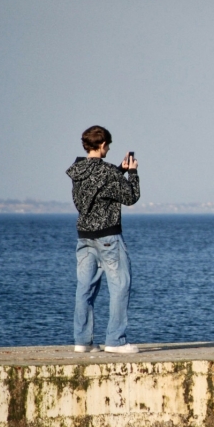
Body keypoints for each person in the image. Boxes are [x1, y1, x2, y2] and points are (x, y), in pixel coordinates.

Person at [66, 125, 141, 353]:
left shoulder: (78, 170)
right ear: (101, 145)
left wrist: (119, 169)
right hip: (108, 235)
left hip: (84, 237)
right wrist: (133, 173)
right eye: (107, 145)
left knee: (85, 289)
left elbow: (97, 188)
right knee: (120, 286)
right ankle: (115, 341)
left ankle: (83, 341)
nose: (108, 148)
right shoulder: (107, 172)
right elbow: (131, 197)